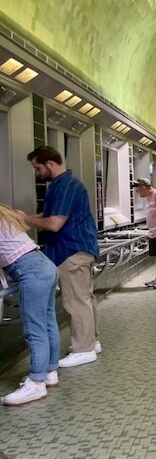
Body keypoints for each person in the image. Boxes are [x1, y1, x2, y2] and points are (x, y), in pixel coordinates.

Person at [21, 146, 101, 368]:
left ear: (49, 164)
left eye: (38, 168)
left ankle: (83, 349)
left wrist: (26, 219)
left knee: (76, 301)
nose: (37, 173)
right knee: (85, 298)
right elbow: (48, 215)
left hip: (71, 250)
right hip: (78, 249)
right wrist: (25, 217)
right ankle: (91, 342)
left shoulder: (65, 185)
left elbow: (54, 223)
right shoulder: (63, 185)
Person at [1, 203, 60, 405]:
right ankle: (50, 371)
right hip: (45, 265)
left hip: (31, 272)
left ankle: (36, 382)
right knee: (48, 322)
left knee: (34, 329)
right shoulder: (5, 216)